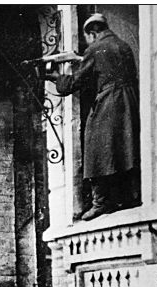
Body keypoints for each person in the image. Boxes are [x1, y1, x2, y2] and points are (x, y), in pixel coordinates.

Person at [46, 13, 140, 221]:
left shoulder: (95, 49)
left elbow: (73, 83)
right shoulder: (123, 45)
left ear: (92, 33)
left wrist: (57, 78)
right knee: (125, 146)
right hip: (129, 100)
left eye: (87, 38)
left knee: (95, 145)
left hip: (109, 101)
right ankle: (128, 196)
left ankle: (101, 202)